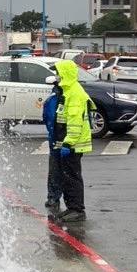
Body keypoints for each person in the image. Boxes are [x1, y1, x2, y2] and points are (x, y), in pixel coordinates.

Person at [47, 60, 93, 222]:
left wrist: (68, 143)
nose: (56, 77)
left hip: (73, 145)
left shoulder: (75, 93)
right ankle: (71, 207)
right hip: (66, 144)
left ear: (65, 74)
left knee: (72, 177)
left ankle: (77, 210)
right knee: (67, 177)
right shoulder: (67, 91)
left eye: (58, 73)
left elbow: (74, 122)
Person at [42, 78, 63, 212]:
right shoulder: (53, 100)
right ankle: (55, 198)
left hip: (60, 141)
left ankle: (54, 198)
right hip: (59, 141)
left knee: (57, 171)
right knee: (61, 172)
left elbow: (47, 119)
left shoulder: (53, 100)